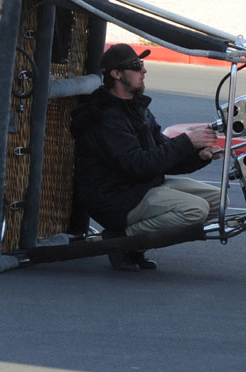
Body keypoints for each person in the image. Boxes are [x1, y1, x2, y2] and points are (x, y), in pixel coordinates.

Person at [70, 43, 223, 271]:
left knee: (220, 201)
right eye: (136, 66)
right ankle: (121, 240)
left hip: (138, 186)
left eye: (142, 64)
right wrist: (187, 141)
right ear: (116, 74)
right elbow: (138, 165)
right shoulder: (107, 117)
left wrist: (199, 155)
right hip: (115, 197)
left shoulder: (135, 107)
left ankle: (134, 246)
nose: (144, 70)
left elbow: (162, 154)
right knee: (195, 210)